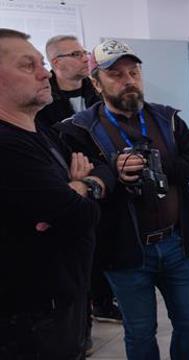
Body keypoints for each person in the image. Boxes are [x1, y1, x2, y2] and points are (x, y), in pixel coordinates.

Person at [54, 39, 189, 360]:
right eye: (116, 74)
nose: (128, 80)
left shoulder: (167, 119)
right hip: (124, 250)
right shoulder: (77, 131)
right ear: (95, 83)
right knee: (139, 331)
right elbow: (79, 185)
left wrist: (159, 164)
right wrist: (113, 169)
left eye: (134, 72)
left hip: (177, 244)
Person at [0, 28, 106, 359]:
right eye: (26, 65)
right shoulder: (7, 146)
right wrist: (81, 187)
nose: (44, 73)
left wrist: (77, 189)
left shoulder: (40, 133)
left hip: (63, 302)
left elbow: (100, 169)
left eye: (41, 63)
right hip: (29, 319)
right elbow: (81, 215)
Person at [35, 35, 100, 128]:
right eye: (76, 54)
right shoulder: (40, 100)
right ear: (57, 62)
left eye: (85, 53)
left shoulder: (100, 89)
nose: (86, 59)